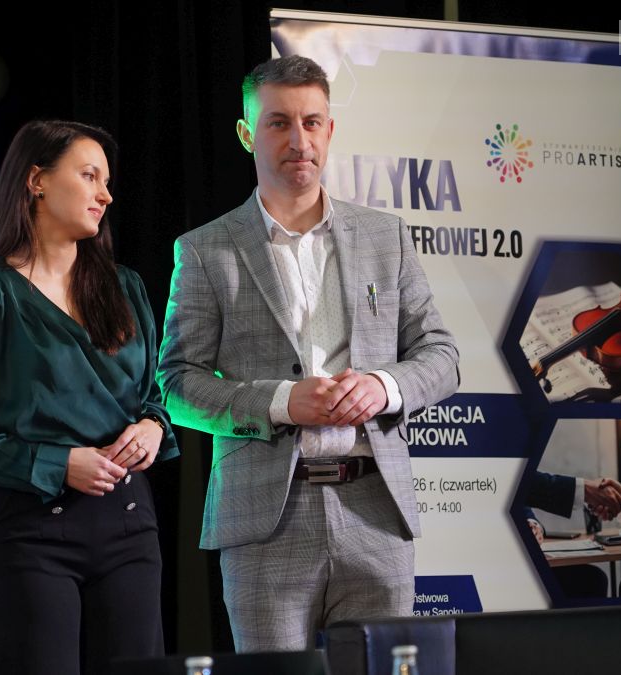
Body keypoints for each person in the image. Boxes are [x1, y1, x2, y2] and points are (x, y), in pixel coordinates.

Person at [156, 55, 459, 652]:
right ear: (246, 134)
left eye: (312, 122)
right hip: (265, 519)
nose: (300, 140)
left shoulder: (386, 236)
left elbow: (441, 355)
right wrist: (280, 402)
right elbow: (177, 384)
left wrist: (384, 388)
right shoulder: (205, 249)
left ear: (330, 129)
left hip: (376, 509)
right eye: (278, 123)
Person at [0, 119, 179, 675]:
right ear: (37, 180)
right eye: (89, 176)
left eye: (106, 181)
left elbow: (152, 396)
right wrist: (56, 463)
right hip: (27, 533)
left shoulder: (127, 286)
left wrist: (153, 427)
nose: (105, 195)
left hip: (129, 525)